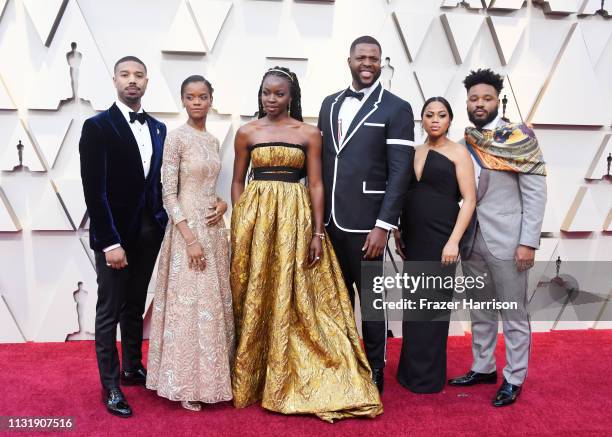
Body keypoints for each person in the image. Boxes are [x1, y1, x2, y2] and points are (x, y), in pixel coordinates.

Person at [230, 66, 382, 422]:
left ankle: (296, 371)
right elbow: (238, 180)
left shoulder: (309, 133)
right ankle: (253, 374)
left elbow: (316, 184)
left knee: (296, 295)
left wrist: (317, 232)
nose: (271, 99)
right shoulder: (247, 132)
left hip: (295, 221)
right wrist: (242, 218)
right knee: (255, 293)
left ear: (291, 96)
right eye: (266, 92)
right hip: (255, 221)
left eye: (279, 94)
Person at [317, 35, 415, 392]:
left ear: (381, 62)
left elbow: (400, 172)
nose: (368, 63)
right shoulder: (328, 105)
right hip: (327, 224)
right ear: (350, 61)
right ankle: (341, 365)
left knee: (372, 304)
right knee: (334, 302)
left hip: (368, 226)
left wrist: (384, 226)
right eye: (362, 57)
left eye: (374, 58)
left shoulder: (396, 108)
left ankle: (375, 369)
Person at [448, 69, 547, 407]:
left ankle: (514, 377)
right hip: (471, 241)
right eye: (474, 99)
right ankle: (483, 367)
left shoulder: (519, 138)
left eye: (486, 98)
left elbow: (535, 193)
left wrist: (528, 241)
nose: (479, 104)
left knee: (513, 312)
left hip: (509, 241)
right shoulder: (463, 144)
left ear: (498, 100)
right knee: (482, 309)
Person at [79, 56, 168, 418]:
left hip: (149, 232)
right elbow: (94, 192)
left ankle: (132, 368)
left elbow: (158, 183)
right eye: (125, 75)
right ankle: (111, 385)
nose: (132, 81)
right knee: (110, 310)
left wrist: (160, 223)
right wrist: (110, 242)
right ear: (115, 80)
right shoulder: (97, 126)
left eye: (139, 75)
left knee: (135, 305)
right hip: (114, 235)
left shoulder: (159, 128)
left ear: (147, 81)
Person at [146, 75, 234, 411]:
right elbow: (168, 193)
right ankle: (184, 384)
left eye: (202, 97)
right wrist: (189, 238)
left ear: (212, 99)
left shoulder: (212, 141)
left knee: (210, 308)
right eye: (190, 97)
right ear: (183, 101)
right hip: (187, 236)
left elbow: (209, 187)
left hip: (214, 232)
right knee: (189, 309)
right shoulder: (176, 138)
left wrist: (223, 203)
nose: (197, 102)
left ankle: (210, 379)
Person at [393, 97, 476, 393]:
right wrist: (398, 230)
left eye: (441, 115)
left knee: (433, 305)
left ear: (450, 120)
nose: (435, 120)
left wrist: (453, 241)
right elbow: (404, 194)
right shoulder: (414, 152)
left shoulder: (459, 153)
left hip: (442, 236)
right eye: (429, 115)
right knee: (414, 304)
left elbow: (469, 199)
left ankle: (428, 378)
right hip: (413, 235)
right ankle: (410, 373)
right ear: (422, 120)